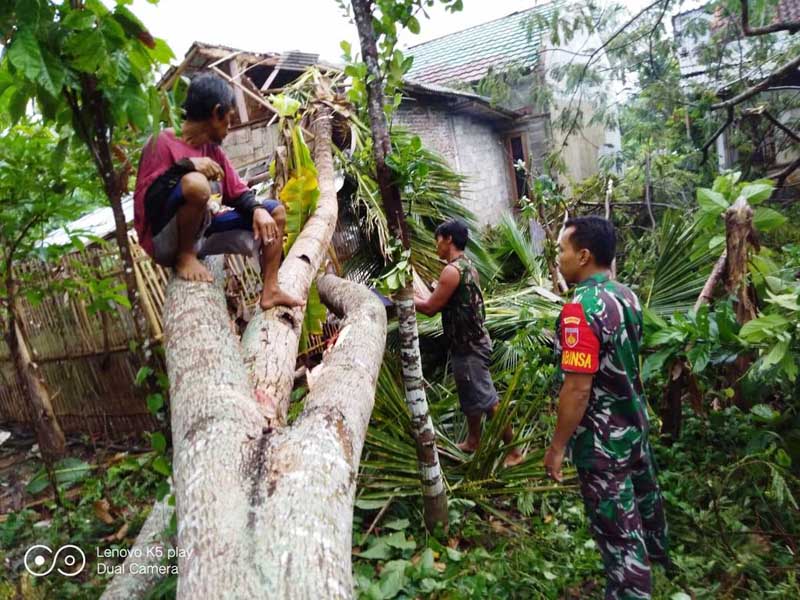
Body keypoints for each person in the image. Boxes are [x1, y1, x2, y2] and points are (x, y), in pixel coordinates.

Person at [544, 216, 670, 599]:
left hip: (602, 444)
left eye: (562, 250)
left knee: (619, 537)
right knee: (644, 508)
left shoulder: (580, 310)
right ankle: (658, 564)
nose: (559, 257)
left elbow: (577, 389)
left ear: (583, 255)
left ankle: (632, 590)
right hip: (634, 427)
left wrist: (557, 447)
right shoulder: (627, 296)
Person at [133, 72, 302, 310]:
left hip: (202, 231)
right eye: (229, 119)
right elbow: (149, 203)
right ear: (216, 113)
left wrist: (257, 210)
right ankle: (185, 256)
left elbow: (236, 192)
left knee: (275, 213)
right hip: (164, 239)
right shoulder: (161, 143)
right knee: (196, 184)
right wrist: (186, 166)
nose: (229, 128)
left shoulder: (213, 151)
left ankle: (271, 290)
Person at [414, 218, 523, 467]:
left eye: (438, 240)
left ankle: (514, 452)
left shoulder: (452, 271)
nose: (436, 246)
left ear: (448, 239)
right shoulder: (467, 266)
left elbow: (430, 308)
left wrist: (403, 298)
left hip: (471, 346)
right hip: (466, 344)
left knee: (487, 400)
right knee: (469, 396)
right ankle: (473, 441)